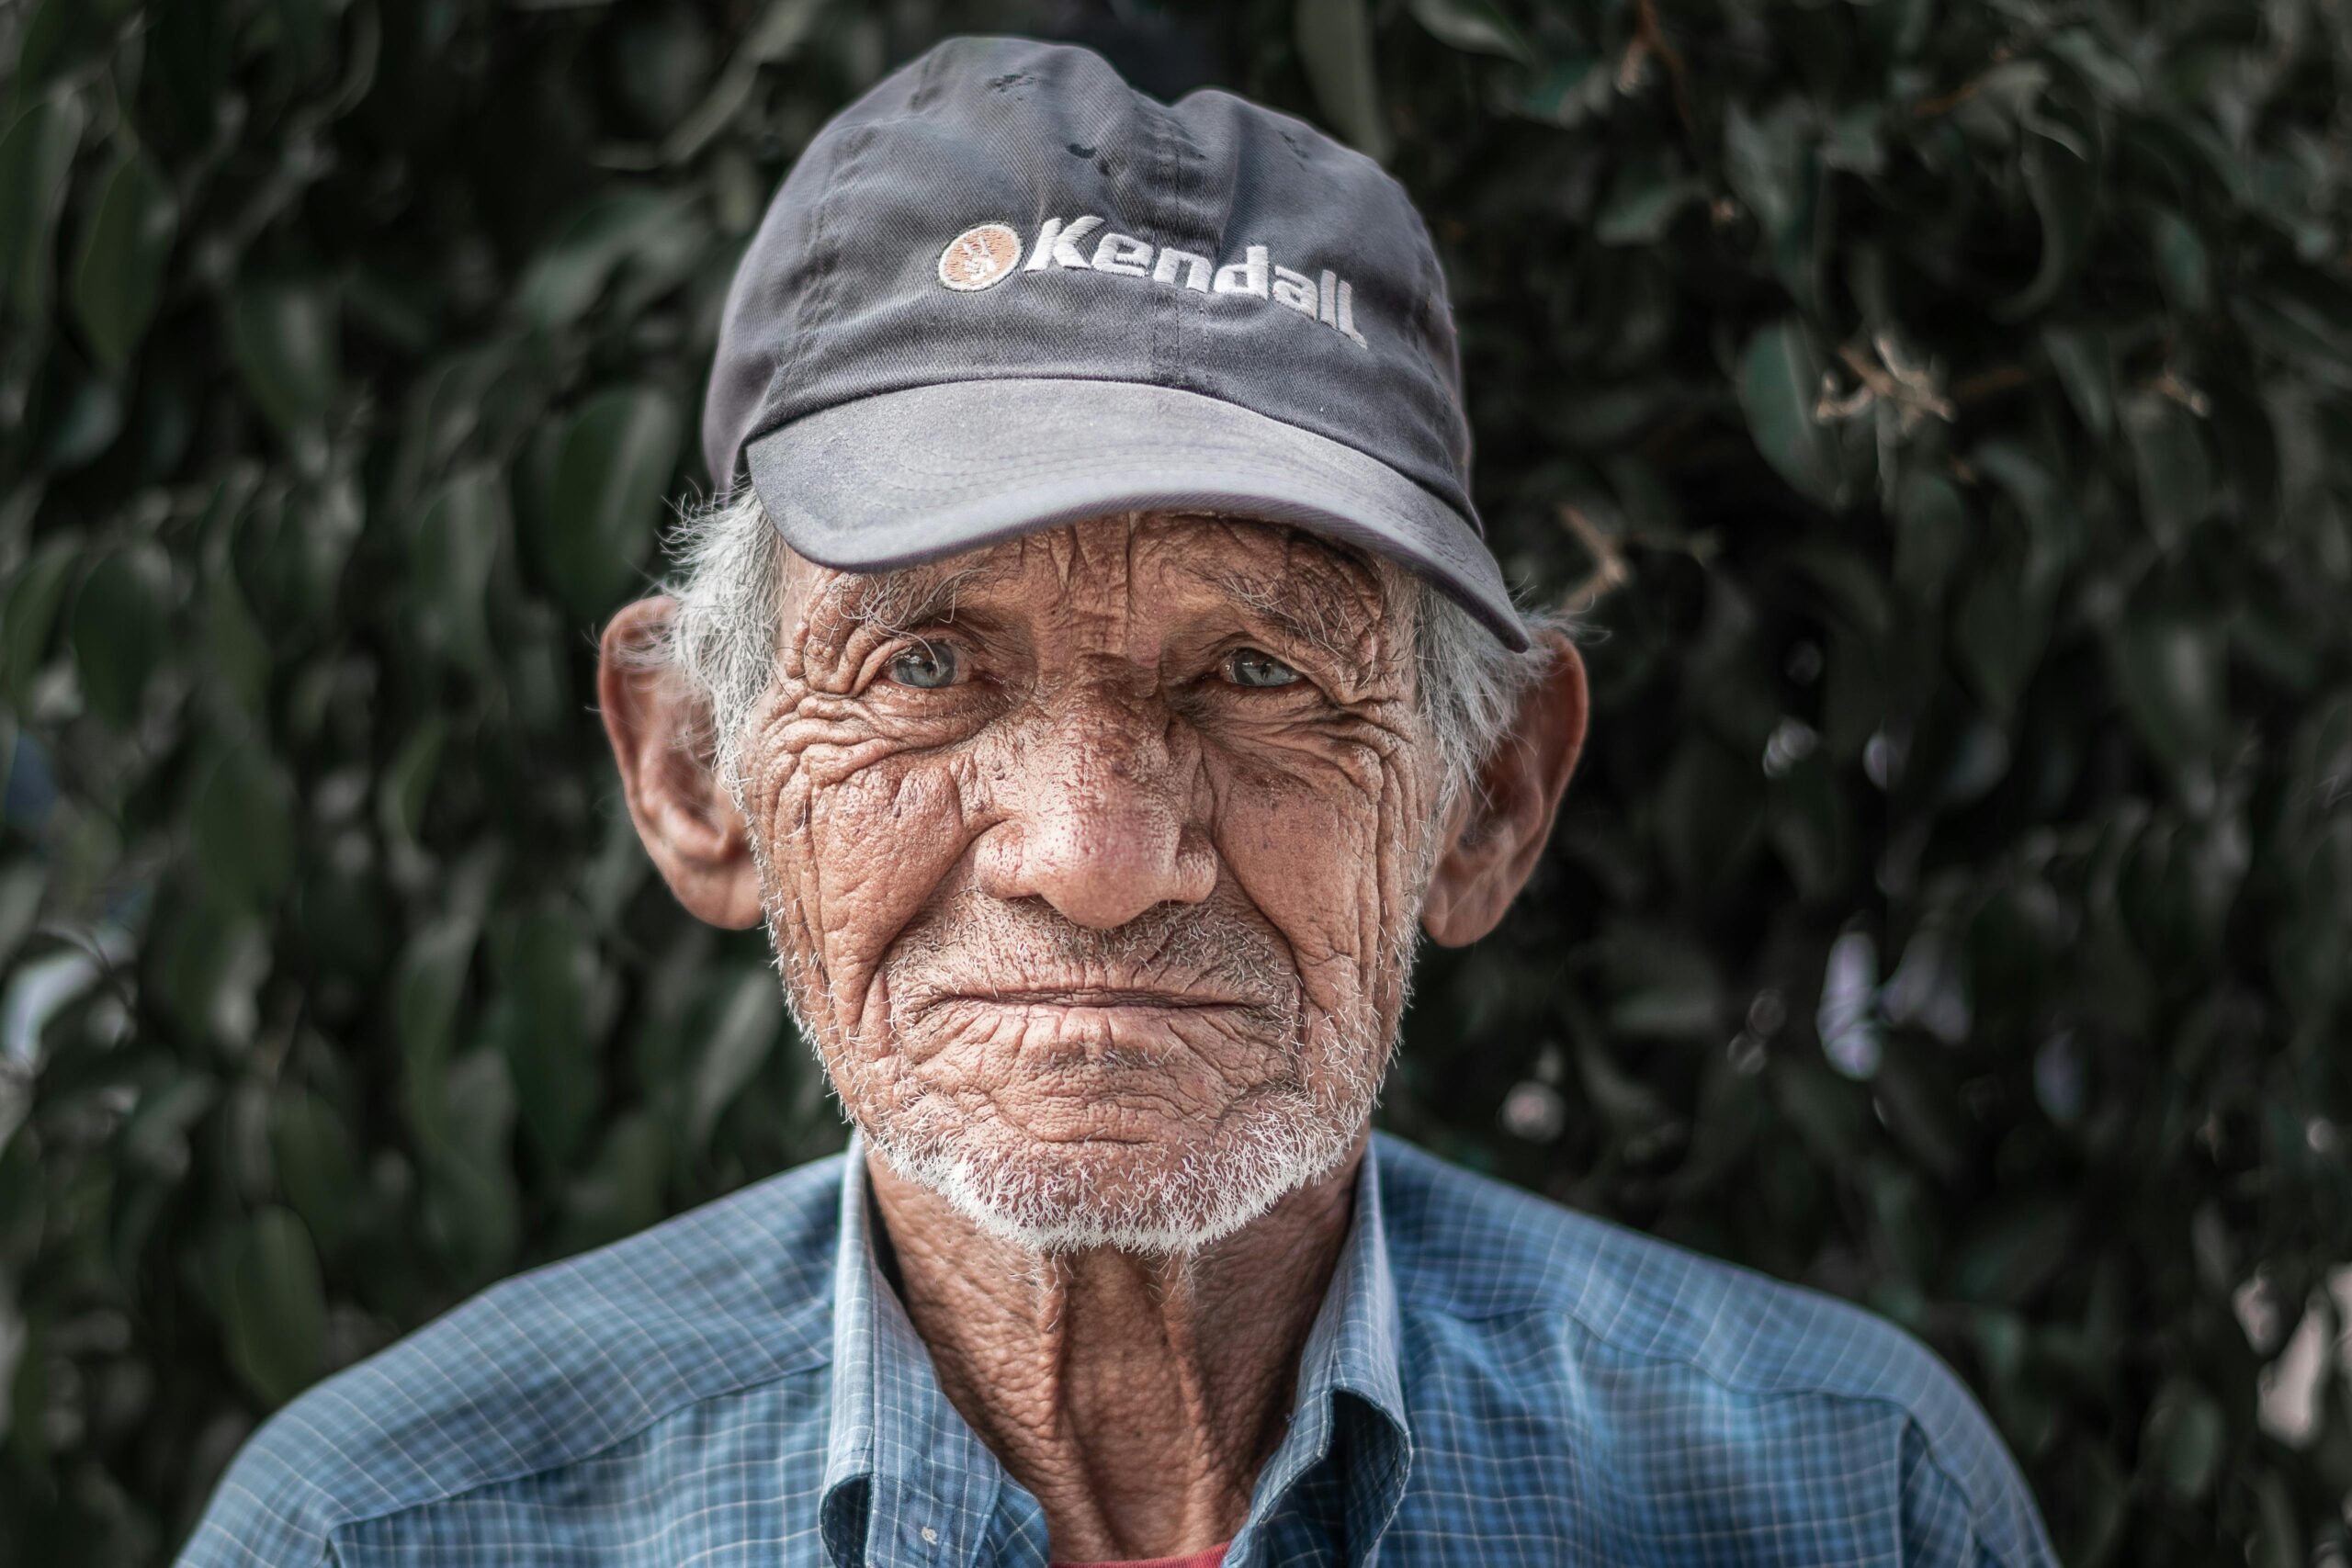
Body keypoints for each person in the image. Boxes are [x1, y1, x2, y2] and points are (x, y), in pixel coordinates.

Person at [179, 35, 2058, 1568]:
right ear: (699, 773)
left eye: (1256, 672)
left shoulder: (1848, 1499)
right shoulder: (391, 1530)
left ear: (1486, 799)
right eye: (925, 665)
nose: (1090, 857)